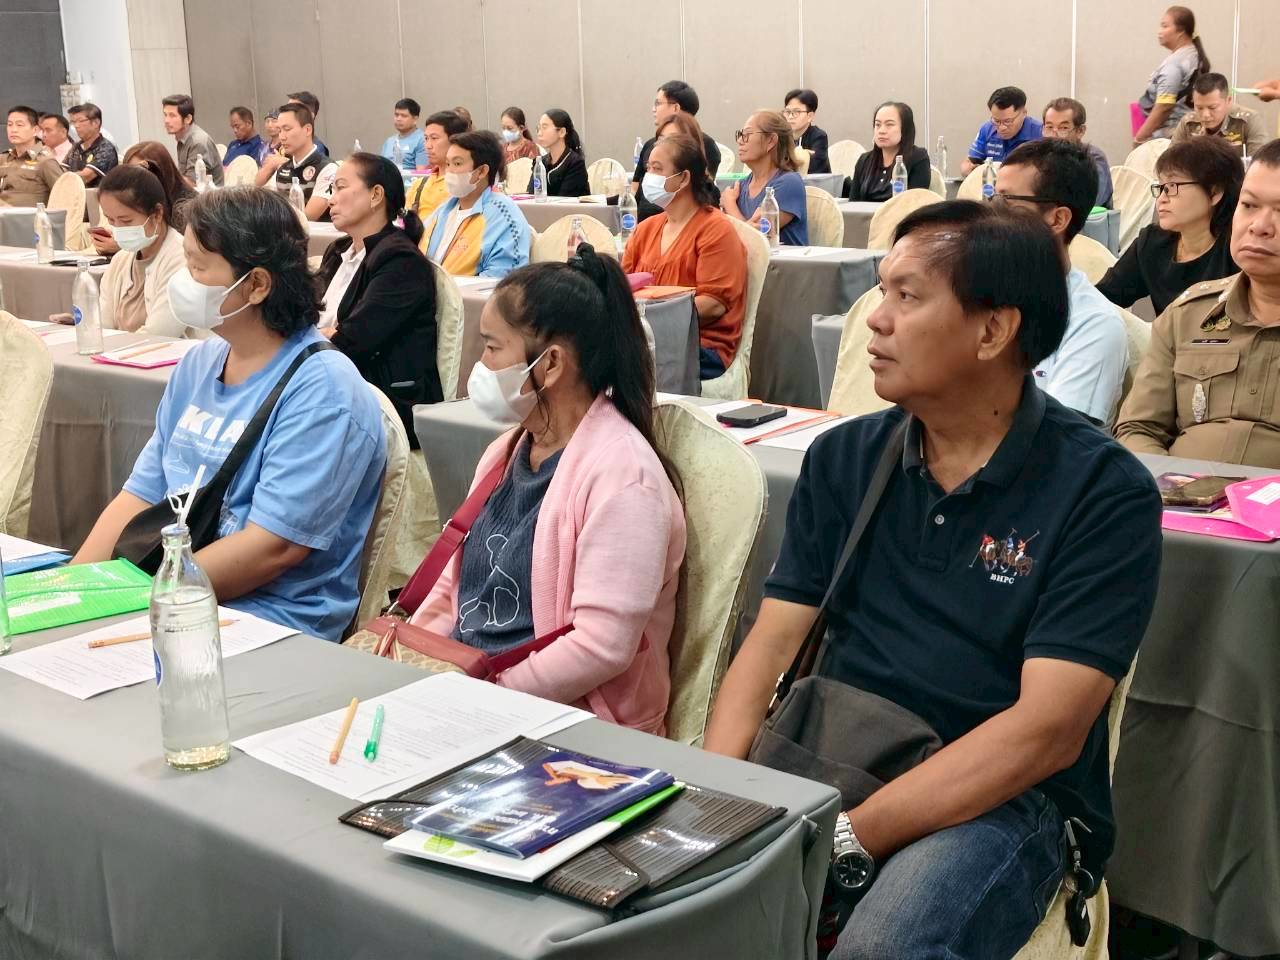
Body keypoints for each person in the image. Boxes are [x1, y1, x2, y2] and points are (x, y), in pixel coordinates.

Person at [703, 200, 1162, 960]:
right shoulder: (845, 457)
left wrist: (845, 837)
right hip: (838, 745)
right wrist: (720, 798)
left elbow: (1045, 732)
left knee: (880, 949)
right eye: (880, 290)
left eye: (907, 296)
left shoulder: (1100, 492)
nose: (875, 320)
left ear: (993, 330)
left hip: (1000, 798)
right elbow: (770, 647)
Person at [73, 186, 386, 642]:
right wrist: (75, 591)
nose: (184, 280)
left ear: (256, 285)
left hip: (269, 620)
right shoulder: (200, 363)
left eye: (198, 267)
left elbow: (272, 547)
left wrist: (139, 601)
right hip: (171, 591)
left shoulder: (324, 392)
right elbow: (138, 495)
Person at [407, 247, 686, 734]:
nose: (480, 364)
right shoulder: (505, 452)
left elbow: (601, 645)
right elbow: (452, 587)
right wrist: (417, 664)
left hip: (565, 723)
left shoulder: (625, 479)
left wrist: (481, 698)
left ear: (550, 363)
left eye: (492, 348)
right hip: (471, 694)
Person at [1116, 141, 1280, 467]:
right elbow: (1138, 428)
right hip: (1176, 494)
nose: (1259, 226)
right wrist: (1168, 486)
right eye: (1249, 205)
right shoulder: (1187, 315)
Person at [996, 139, 1128, 425]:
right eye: (992, 198)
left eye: (1006, 201)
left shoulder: (1092, 323)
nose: (991, 214)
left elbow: (1060, 438)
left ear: (1057, 220)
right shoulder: (976, 293)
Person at [317, 152, 442, 443]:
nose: (331, 200)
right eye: (331, 190)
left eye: (341, 187)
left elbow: (353, 340)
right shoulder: (338, 251)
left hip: (384, 402)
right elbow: (305, 317)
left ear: (375, 195)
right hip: (334, 381)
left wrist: (327, 334)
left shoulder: (401, 260)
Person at [622, 132, 747, 381]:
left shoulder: (716, 230)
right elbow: (621, 287)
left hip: (700, 347)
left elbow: (713, 304)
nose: (649, 176)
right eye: (648, 168)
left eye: (658, 169)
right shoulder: (645, 229)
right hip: (646, 339)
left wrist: (650, 321)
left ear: (684, 178)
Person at [1097, 135, 1242, 315]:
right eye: (1160, 187)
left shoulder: (1239, 249)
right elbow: (1102, 298)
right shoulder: (1153, 242)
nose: (1161, 199)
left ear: (1214, 193)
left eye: (1172, 187)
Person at [96, 165, 192, 338]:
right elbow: (102, 325)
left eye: (126, 221)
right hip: (121, 352)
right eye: (110, 220)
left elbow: (159, 334)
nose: (118, 228)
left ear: (157, 214)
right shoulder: (120, 260)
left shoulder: (183, 260)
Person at [421, 130, 531, 279]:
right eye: (447, 164)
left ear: (481, 171)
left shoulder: (504, 215)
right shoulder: (444, 210)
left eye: (457, 163)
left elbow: (503, 277)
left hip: (469, 293)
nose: (449, 171)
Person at [632, 81, 722, 223]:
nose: (653, 109)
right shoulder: (648, 227)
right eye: (650, 168)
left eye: (658, 103)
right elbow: (634, 194)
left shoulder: (709, 221)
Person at [721, 110, 808, 245]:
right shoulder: (739, 187)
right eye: (740, 134)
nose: (739, 141)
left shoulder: (790, 183)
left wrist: (730, 205)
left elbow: (755, 237)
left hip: (783, 259)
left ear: (771, 141)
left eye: (747, 134)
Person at [1134, 6, 1208, 145]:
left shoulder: (1175, 63)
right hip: (1187, 133)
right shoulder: (1192, 54)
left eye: (1165, 26)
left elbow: (1164, 107)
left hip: (1170, 136)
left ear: (1181, 31)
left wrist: (1139, 138)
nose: (1159, 31)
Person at [254, 103, 337, 222]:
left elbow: (308, 217)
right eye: (280, 130)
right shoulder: (282, 169)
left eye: (287, 129)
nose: (282, 137)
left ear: (307, 130)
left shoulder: (329, 168)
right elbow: (266, 207)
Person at [846, 101, 931, 202]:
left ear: (905, 129)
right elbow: (853, 202)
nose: (881, 131)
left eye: (889, 125)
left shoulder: (918, 158)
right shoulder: (864, 160)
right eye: (878, 125)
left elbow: (915, 202)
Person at [1172, 72, 1268, 155]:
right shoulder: (1188, 123)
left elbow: (1259, 163)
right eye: (1199, 108)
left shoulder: (1248, 120)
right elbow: (1171, 160)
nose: (1205, 115)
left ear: (1228, 100)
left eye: (1212, 107)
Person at [1041, 97, 1113, 209]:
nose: (1054, 135)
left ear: (1080, 131)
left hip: (1089, 218)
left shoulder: (1094, 158)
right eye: (1049, 127)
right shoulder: (1042, 155)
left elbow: (1092, 200)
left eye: (1063, 128)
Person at [961, 87, 1044, 174]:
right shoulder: (987, 129)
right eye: (996, 121)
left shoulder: (1040, 133)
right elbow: (968, 162)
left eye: (1008, 121)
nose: (1001, 127)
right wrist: (968, 169)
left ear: (1024, 113)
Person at [408, 109, 469, 226]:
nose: (428, 146)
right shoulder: (418, 185)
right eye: (426, 138)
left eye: (434, 138)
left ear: (454, 140)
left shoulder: (467, 185)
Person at [0, 106, 62, 207]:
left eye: (19, 125)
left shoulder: (45, 161)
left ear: (35, 130)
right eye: (10, 125)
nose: (13, 130)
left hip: (30, 216)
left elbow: (66, 195)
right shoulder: (4, 158)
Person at [162, 94, 224, 187]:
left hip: (208, 195)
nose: (166, 120)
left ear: (188, 119)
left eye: (172, 115)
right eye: (165, 115)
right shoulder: (183, 139)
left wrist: (163, 174)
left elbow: (192, 184)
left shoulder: (198, 142)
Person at [529, 109, 588, 197]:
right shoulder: (540, 162)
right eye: (538, 128)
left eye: (544, 128)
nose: (539, 133)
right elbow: (531, 195)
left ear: (561, 132)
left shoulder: (575, 163)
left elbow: (565, 199)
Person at [64, 103, 119, 187]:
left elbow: (86, 176)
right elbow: (63, 170)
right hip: (75, 191)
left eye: (81, 121)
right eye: (73, 122)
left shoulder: (106, 148)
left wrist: (63, 178)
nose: (76, 126)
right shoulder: (76, 147)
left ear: (96, 123)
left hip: (98, 193)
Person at [784, 88, 830, 174]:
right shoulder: (782, 136)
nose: (790, 116)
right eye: (787, 111)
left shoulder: (819, 137)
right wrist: (803, 156)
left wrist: (792, 157)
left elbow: (813, 167)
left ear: (810, 116)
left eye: (796, 112)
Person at [381, 98, 428, 172]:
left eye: (404, 116)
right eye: (396, 115)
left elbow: (421, 173)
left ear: (415, 119)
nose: (398, 119)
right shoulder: (389, 141)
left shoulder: (423, 140)